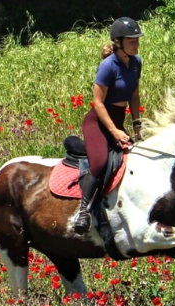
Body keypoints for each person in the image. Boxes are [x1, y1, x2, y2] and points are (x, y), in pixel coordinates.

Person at [74, 17, 144, 234]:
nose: (136, 44)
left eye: (137, 40)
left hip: (118, 121)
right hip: (98, 122)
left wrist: (136, 124)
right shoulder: (107, 66)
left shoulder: (136, 63)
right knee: (101, 162)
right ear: (118, 42)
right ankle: (83, 211)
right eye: (131, 41)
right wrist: (114, 131)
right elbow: (97, 103)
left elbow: (134, 94)